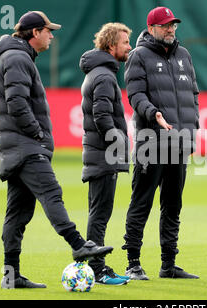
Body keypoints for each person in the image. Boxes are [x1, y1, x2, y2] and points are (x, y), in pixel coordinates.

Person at [0, 11, 113, 289]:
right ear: (35, 33)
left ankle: (11, 276)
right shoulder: (18, 58)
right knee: (51, 193)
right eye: (48, 31)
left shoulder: (14, 56)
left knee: (18, 214)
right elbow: (17, 103)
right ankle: (79, 245)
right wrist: (38, 134)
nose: (51, 36)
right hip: (24, 146)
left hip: (14, 148)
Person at [122, 7, 200, 280]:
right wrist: (152, 113)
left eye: (173, 25)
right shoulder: (138, 56)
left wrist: (193, 130)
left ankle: (168, 265)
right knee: (141, 202)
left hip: (178, 142)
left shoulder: (184, 55)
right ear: (152, 28)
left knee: (173, 204)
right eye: (166, 25)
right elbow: (135, 95)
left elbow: (193, 94)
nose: (171, 29)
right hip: (150, 142)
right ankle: (133, 263)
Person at [79, 23, 132, 285]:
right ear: (111, 45)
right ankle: (97, 270)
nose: (129, 47)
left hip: (99, 154)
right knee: (100, 214)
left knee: (97, 212)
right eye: (125, 43)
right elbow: (101, 116)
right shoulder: (104, 76)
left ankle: (94, 268)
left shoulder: (99, 72)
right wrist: (118, 143)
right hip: (103, 156)